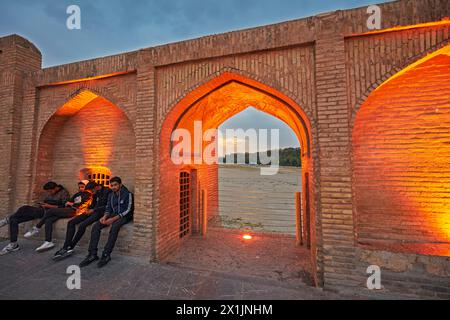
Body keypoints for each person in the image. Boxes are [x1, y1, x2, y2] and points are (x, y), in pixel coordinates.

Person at [0, 181, 70, 255]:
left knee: (24, 207)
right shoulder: (50, 193)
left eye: (50, 191)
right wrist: (43, 204)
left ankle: (6, 220)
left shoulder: (64, 193)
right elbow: (46, 201)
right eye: (48, 191)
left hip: (47, 212)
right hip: (40, 210)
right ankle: (13, 244)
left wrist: (48, 206)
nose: (49, 193)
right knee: (13, 220)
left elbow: (63, 207)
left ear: (56, 188)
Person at [79, 177, 133, 268]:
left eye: (115, 185)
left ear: (120, 184)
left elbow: (128, 209)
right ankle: (92, 254)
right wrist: (104, 217)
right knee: (96, 226)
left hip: (124, 216)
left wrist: (113, 219)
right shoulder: (111, 195)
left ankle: (106, 254)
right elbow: (108, 207)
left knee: (114, 227)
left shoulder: (127, 194)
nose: (113, 187)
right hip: (112, 214)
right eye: (111, 185)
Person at [27, 181, 92, 253]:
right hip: (66, 209)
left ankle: (37, 227)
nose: (80, 188)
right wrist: (70, 203)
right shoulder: (77, 194)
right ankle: (48, 241)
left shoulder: (88, 195)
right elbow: (67, 202)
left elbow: (82, 205)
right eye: (79, 187)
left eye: (82, 187)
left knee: (50, 211)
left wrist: (72, 204)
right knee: (48, 220)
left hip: (74, 211)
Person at [53, 181, 112, 261]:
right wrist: (88, 209)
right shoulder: (95, 192)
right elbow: (93, 203)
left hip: (100, 213)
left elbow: (108, 206)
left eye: (92, 191)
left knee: (82, 225)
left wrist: (93, 210)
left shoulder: (108, 191)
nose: (91, 193)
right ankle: (65, 246)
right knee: (71, 222)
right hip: (92, 211)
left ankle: (71, 246)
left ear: (96, 187)